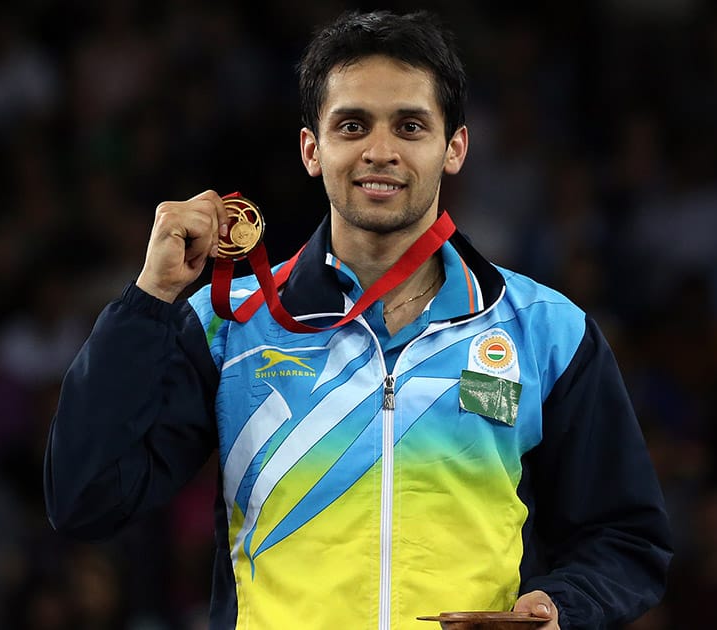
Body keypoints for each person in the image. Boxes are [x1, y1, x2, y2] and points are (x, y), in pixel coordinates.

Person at [44, 10, 672, 630]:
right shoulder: (227, 322)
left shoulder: (545, 331)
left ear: (453, 147)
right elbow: (87, 500)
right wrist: (149, 298)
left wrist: (561, 606)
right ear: (311, 150)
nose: (380, 151)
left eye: (409, 126)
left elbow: (624, 537)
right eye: (352, 125)